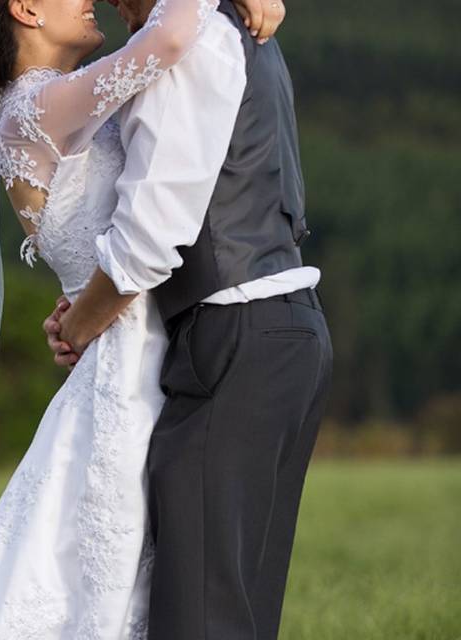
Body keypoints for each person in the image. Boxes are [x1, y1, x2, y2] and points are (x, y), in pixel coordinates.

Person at [0, 0, 296, 638]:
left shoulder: (48, 107)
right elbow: (172, 37)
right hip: (130, 369)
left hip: (133, 348)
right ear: (26, 9)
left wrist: (77, 312)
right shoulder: (38, 105)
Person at [43, 0, 334, 637]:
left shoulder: (184, 42)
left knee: (200, 614)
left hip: (235, 335)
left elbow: (150, 237)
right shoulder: (234, 25)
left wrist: (78, 324)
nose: (114, 6)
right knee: (238, 608)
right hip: (289, 328)